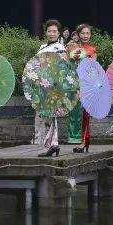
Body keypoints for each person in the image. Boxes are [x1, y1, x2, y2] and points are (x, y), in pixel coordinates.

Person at [33, 19, 67, 157]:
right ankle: (51, 144)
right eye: (49, 31)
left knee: (51, 114)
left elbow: (64, 66)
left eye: (54, 31)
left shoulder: (60, 47)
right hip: (42, 83)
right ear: (45, 32)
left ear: (59, 33)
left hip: (53, 83)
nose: (51, 33)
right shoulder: (42, 47)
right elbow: (36, 64)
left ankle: (53, 143)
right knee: (44, 114)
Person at [67, 23, 97, 153]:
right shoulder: (71, 47)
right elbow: (67, 64)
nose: (85, 36)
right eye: (83, 33)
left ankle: (83, 141)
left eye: (88, 33)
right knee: (75, 113)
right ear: (78, 35)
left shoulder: (92, 49)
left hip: (86, 84)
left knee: (85, 113)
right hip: (74, 83)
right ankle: (80, 139)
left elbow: (95, 68)